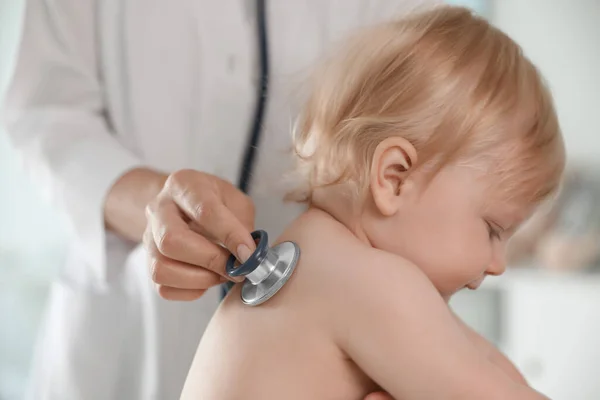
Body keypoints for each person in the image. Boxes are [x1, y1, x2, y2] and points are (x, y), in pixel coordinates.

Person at [1, 0, 435, 399]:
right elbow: (49, 114)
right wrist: (156, 203)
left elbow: (432, 121)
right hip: (126, 328)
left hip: (319, 351)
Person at [179, 5, 565, 400]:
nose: (498, 264)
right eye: (492, 230)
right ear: (394, 179)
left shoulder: (322, 259)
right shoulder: (371, 283)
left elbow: (488, 367)